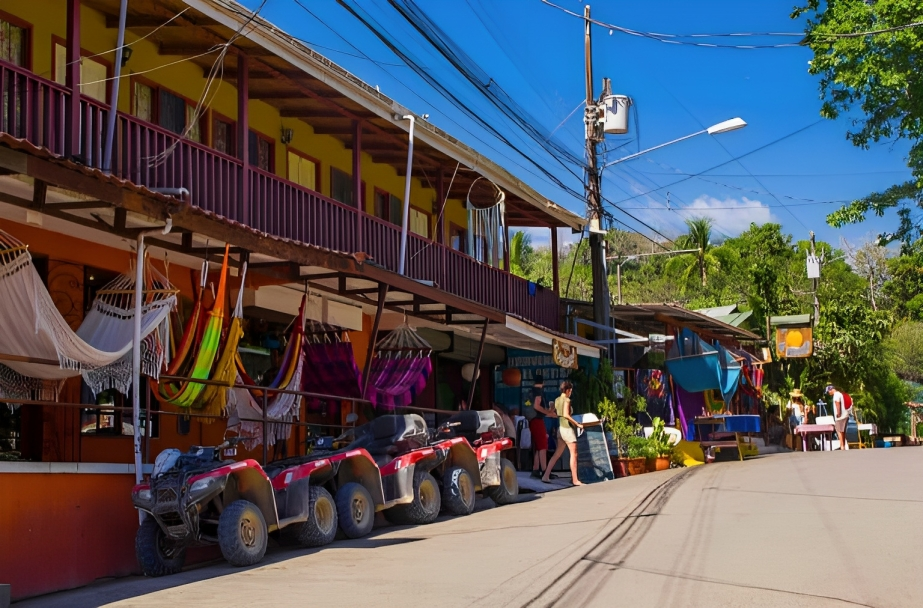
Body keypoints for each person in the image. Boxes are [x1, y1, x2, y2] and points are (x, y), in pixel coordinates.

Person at [542, 381, 584, 486]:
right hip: (567, 429)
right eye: (570, 391)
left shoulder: (557, 400)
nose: (571, 392)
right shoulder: (566, 400)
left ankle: (546, 475)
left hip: (560, 429)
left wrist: (551, 406)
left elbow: (553, 412)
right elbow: (566, 414)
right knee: (573, 454)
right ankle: (575, 479)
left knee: (557, 454)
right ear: (567, 390)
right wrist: (577, 424)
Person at [528, 374, 555, 479]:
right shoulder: (538, 392)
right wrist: (547, 411)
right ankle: (544, 471)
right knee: (543, 445)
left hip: (532, 420)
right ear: (543, 383)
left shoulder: (530, 391)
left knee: (539, 445)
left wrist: (548, 413)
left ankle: (535, 469)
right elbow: (536, 406)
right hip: (537, 420)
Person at [827, 384, 849, 450]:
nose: (828, 393)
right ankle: (843, 446)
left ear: (831, 389)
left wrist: (838, 413)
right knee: (843, 431)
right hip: (845, 415)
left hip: (840, 416)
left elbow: (837, 403)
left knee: (839, 430)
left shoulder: (836, 395)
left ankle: (842, 446)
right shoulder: (840, 394)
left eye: (828, 391)